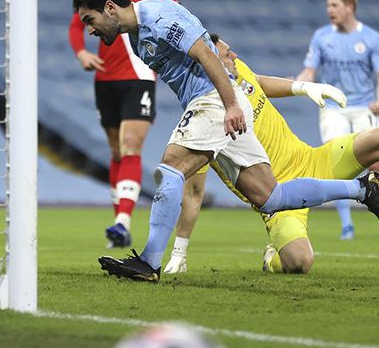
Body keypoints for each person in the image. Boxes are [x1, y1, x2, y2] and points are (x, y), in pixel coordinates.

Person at [68, 0, 379, 283]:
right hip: (213, 103)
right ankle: (364, 190)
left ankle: (149, 262)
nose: (90, 29)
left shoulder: (159, 17)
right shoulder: (136, 37)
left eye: (89, 19)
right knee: (271, 197)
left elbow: (206, 53)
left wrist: (230, 104)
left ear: (109, 7)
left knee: (171, 169)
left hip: (214, 101)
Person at [162, 35, 379, 275]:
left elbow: (259, 82)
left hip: (313, 160)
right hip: (279, 199)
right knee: (299, 262)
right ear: (212, 65)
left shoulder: (239, 72)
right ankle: (271, 259)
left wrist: (304, 87)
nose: (235, 56)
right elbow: (193, 193)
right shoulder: (205, 120)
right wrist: (179, 252)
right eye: (228, 54)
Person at [68, 0, 177, 248]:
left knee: (131, 146)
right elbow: (77, 25)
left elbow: (175, 18)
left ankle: (121, 220)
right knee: (116, 151)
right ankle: (120, 229)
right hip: (106, 77)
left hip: (140, 75)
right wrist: (82, 54)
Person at [296, 0, 379, 241]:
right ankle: (346, 224)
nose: (329, 10)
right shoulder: (322, 37)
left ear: (349, 7)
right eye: (328, 5)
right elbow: (309, 72)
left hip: (364, 106)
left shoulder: (371, 38)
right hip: (334, 108)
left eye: (334, 5)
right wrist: (296, 85)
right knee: (335, 162)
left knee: (375, 162)